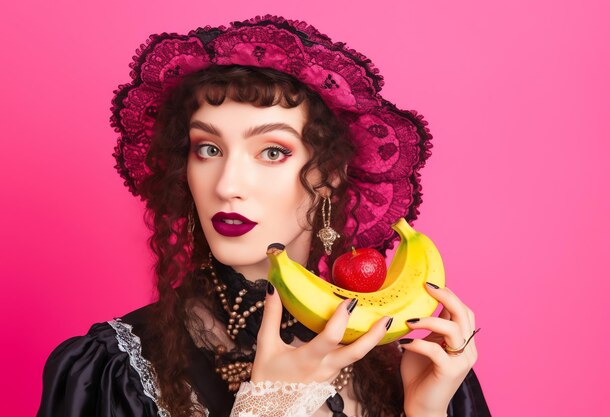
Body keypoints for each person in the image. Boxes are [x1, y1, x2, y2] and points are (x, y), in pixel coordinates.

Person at [38, 15, 490, 417]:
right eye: (208, 149)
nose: (227, 184)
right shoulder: (110, 370)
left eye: (272, 151)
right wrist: (267, 409)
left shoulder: (412, 364)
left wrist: (426, 411)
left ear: (329, 174)